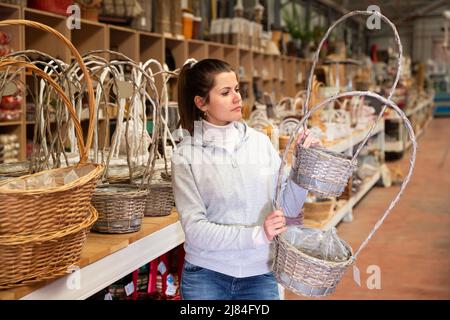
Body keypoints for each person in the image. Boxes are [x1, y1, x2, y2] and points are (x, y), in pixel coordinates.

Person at [171, 58, 320, 300]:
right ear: (201, 103)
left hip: (259, 274)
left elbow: (287, 208)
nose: (237, 98)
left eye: (237, 89)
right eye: (225, 92)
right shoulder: (186, 155)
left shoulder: (260, 142)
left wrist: (304, 166)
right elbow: (195, 230)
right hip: (207, 276)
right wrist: (257, 235)